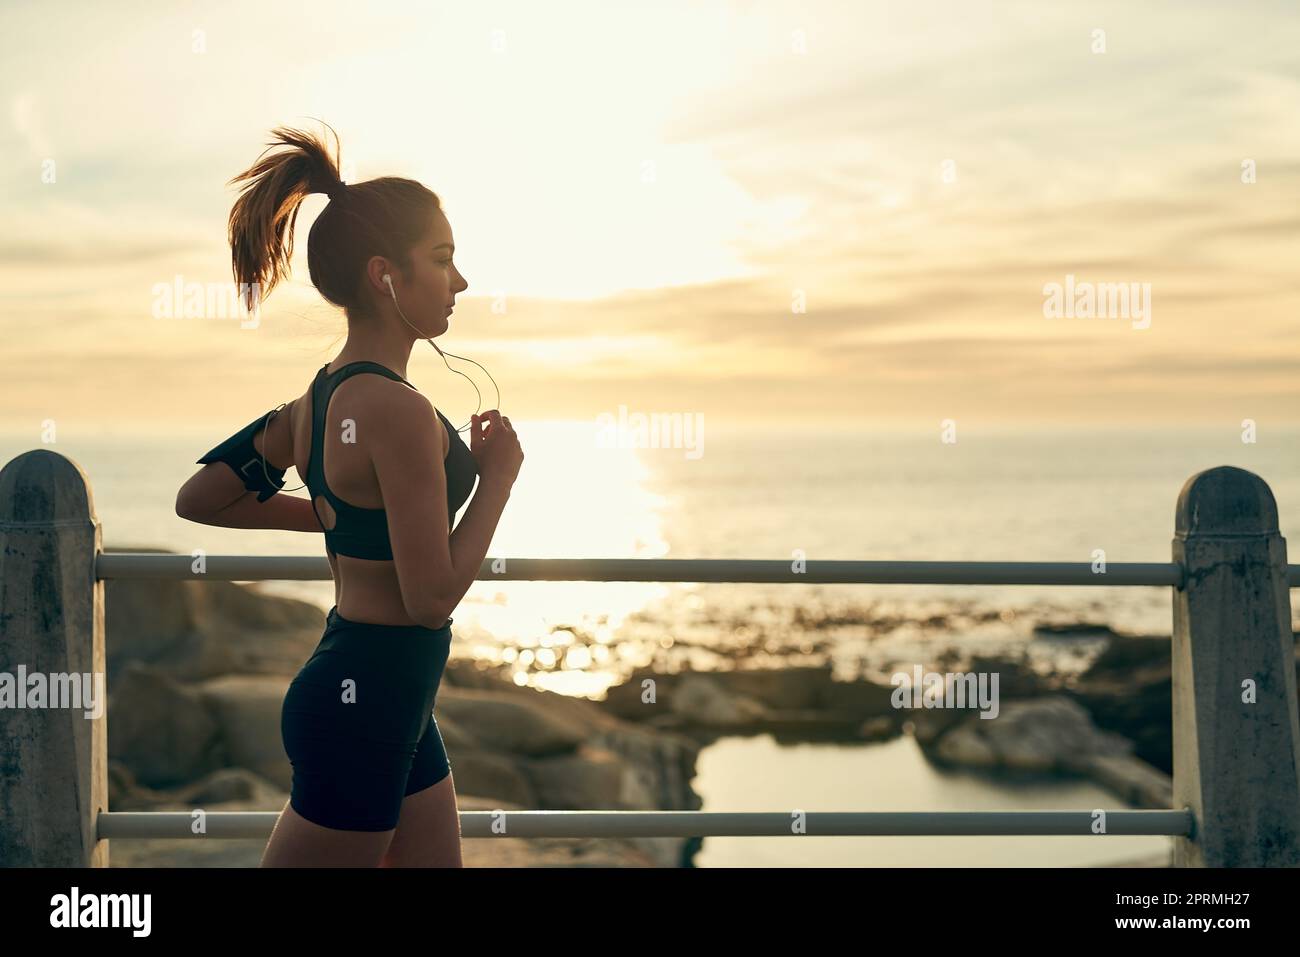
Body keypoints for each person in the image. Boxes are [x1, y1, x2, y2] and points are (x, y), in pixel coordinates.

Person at [174, 123, 523, 867]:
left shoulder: (317, 399)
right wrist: (495, 482)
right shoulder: (394, 409)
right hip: (365, 699)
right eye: (442, 259)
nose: (460, 282)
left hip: (390, 700)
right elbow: (430, 597)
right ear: (383, 275)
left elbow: (203, 495)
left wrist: (337, 513)